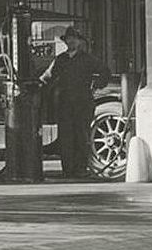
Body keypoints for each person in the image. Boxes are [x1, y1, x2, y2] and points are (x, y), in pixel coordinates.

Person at [39, 27, 107, 179]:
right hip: (65, 104)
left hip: (83, 103)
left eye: (74, 38)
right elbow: (48, 75)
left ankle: (80, 168)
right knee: (66, 138)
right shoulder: (60, 59)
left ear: (78, 41)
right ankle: (68, 169)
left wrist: (96, 85)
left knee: (81, 136)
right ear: (66, 41)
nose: (71, 41)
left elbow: (104, 71)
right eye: (69, 38)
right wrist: (37, 84)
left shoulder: (88, 59)